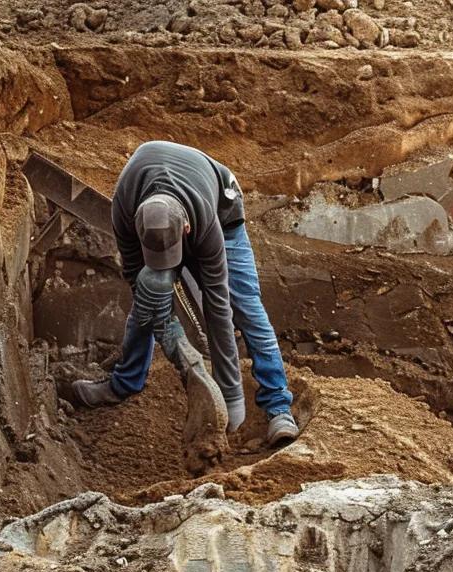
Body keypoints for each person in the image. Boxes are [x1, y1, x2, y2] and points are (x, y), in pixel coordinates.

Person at [71, 140, 301, 447]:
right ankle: (123, 383)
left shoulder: (205, 223)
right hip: (156, 182)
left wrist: (230, 402)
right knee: (147, 297)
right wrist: (172, 335)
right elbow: (136, 280)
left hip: (221, 206)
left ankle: (278, 408)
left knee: (245, 307)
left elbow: (218, 309)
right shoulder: (124, 209)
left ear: (187, 229)